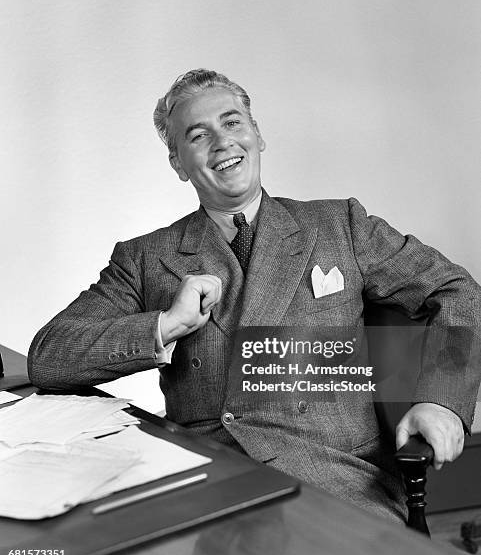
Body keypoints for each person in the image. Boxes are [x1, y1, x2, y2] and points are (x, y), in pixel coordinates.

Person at [28, 69, 481, 522]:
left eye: (232, 123)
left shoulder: (341, 225)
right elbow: (48, 357)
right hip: (208, 481)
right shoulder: (146, 257)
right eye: (198, 134)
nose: (222, 143)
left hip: (336, 479)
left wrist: (440, 402)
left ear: (257, 135)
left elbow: (457, 291)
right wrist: (167, 325)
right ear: (177, 163)